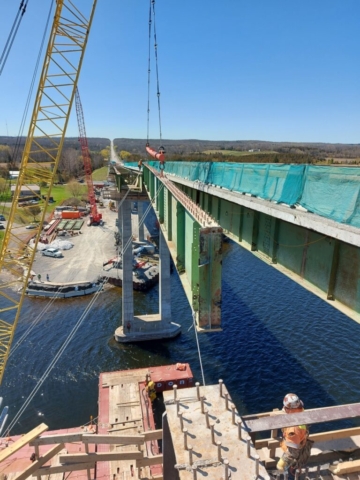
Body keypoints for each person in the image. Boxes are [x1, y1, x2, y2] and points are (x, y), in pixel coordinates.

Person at [276, 393, 313, 476]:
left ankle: (290, 475)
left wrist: (282, 463)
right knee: (295, 466)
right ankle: (295, 470)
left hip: (296, 448)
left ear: (289, 410)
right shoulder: (301, 412)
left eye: (285, 408)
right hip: (301, 441)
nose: (283, 409)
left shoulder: (293, 430)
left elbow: (293, 453)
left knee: (287, 467)